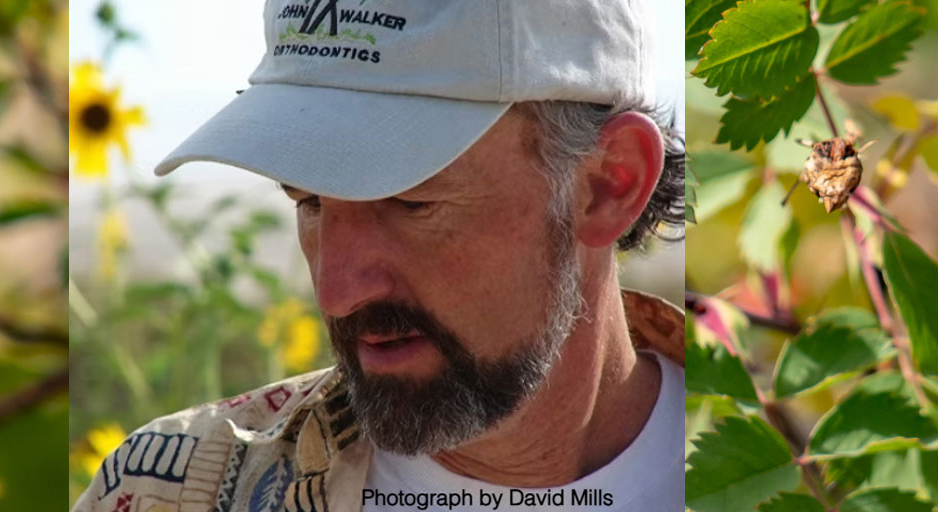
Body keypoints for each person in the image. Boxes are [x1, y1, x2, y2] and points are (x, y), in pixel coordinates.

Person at [73, 1, 685, 510]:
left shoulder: (767, 474)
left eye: (410, 203)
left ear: (611, 184)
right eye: (309, 201)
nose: (337, 291)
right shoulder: (166, 491)